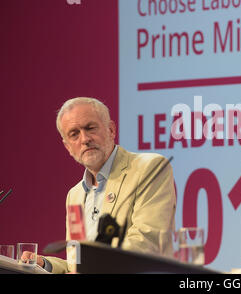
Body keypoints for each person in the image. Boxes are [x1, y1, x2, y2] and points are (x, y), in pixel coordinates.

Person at [22, 97, 176, 273]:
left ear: (111, 130)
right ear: (67, 147)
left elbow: (147, 242)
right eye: (74, 134)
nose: (85, 139)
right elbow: (77, 264)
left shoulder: (150, 168)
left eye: (90, 128)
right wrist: (45, 264)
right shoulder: (75, 195)